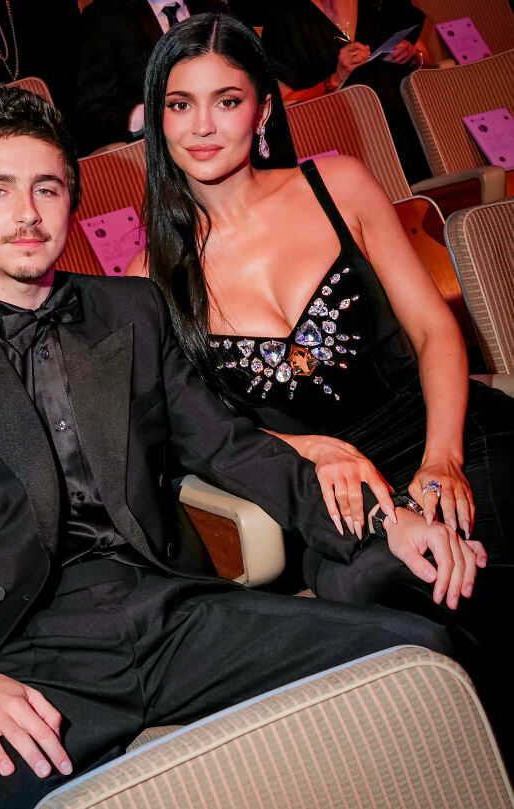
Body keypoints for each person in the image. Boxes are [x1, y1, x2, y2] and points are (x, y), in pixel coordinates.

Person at [0, 86, 463, 809]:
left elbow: (230, 446)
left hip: (169, 610)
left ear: (72, 200)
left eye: (47, 187)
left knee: (421, 657)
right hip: (22, 652)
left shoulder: (129, 309)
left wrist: (390, 523)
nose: (26, 213)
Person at [128, 12, 514, 756]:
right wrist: (304, 444)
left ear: (265, 110)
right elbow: (197, 432)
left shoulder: (336, 181)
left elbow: (437, 333)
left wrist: (441, 460)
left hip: (443, 431)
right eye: (180, 104)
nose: (202, 126)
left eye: (227, 100)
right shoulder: (154, 280)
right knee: (381, 586)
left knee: (474, 561)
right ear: (158, 120)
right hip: (333, 497)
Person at [260, 0, 431, 183]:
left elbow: (424, 59)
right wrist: (335, 80)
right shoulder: (285, 19)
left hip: (402, 132)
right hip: (343, 140)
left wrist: (412, 55)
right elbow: (285, 102)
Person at [75, 0, 229, 154]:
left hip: (225, 136)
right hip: (150, 152)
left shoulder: (217, 10)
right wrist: (149, 116)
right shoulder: (106, 16)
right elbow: (91, 110)